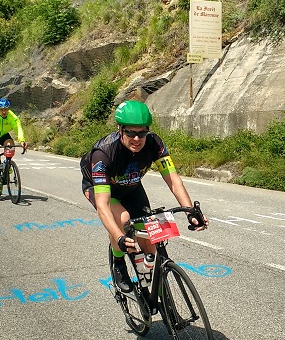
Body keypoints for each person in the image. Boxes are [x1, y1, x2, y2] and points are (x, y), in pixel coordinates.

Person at [80, 100, 207, 293]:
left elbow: (173, 180)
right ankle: (118, 262)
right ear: (120, 129)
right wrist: (120, 239)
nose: (137, 139)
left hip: (131, 187)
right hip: (101, 190)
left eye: (142, 133)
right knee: (122, 219)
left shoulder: (154, 144)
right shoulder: (104, 153)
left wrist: (190, 211)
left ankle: (156, 294)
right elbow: (103, 206)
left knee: (149, 240)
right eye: (130, 132)